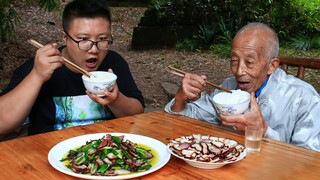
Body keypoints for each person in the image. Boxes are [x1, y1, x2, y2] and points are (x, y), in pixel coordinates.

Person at [165, 22, 320, 151]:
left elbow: (310, 161)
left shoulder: (304, 98)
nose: (239, 71)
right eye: (234, 61)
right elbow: (187, 119)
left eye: (249, 62)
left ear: (272, 65)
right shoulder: (229, 87)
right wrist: (180, 99)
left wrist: (264, 132)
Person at [0, 0, 144, 135]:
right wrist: (36, 76)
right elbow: (3, 123)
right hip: (47, 152)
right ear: (65, 37)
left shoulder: (114, 63)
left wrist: (116, 99)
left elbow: (138, 115)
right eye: (83, 39)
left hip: (104, 151)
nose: (94, 49)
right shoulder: (39, 66)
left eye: (102, 39)